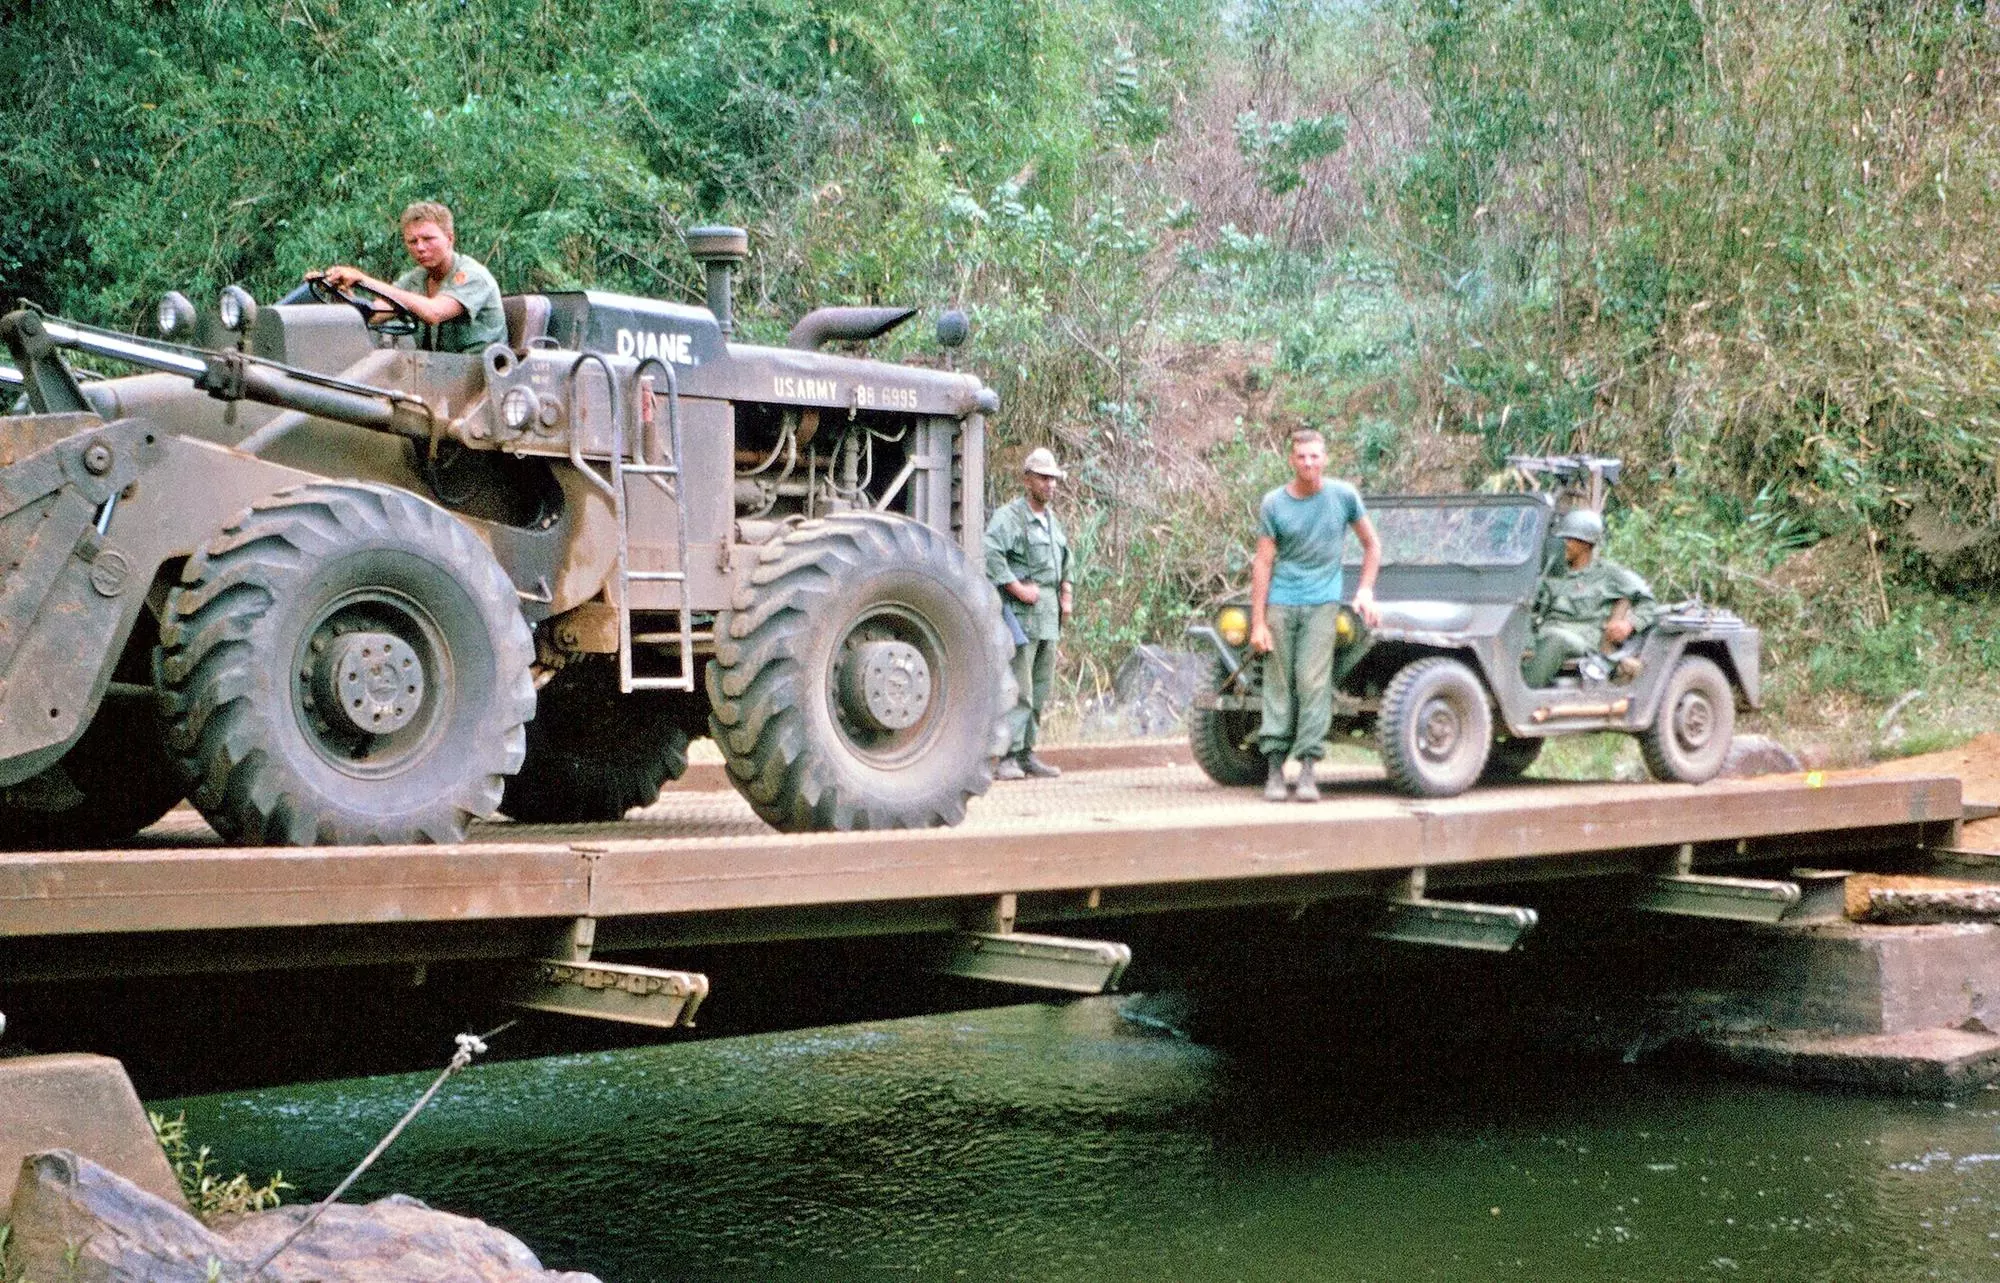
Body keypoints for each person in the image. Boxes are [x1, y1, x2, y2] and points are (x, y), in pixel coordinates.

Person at [1249, 427, 1381, 803]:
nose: (1308, 463)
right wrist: (1258, 622)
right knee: (1277, 683)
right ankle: (1275, 769)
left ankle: (1307, 769)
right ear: (1291, 460)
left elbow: (1372, 546)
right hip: (1282, 602)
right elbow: (1262, 562)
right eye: (1301, 456)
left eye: (1314, 456)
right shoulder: (1274, 503)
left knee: (1313, 683)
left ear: (1325, 458)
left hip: (1323, 602)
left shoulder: (1344, 497)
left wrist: (1365, 591)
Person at [309, 201, 505, 355]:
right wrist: (339, 294)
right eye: (412, 241)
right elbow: (376, 314)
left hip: (481, 379)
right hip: (441, 375)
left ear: (450, 239)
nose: (420, 247)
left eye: (428, 239)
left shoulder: (472, 275)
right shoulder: (416, 279)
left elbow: (434, 313)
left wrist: (362, 279)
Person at [984, 447, 1074, 780]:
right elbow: (990, 553)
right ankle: (1006, 756)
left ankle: (1026, 754)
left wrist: (1067, 593)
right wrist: (1017, 589)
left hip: (1049, 617)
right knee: (1019, 688)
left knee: (1040, 688)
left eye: (1054, 479)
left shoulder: (1051, 521)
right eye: (1043, 477)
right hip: (1022, 616)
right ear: (1027, 480)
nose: (1050, 484)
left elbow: (1067, 560)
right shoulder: (1010, 517)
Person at [1521, 507, 1658, 687]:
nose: (1564, 544)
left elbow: (1648, 602)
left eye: (1570, 539)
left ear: (1586, 544)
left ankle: (1520, 694)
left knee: (1556, 639)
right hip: (1545, 632)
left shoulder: (1609, 574)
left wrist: (1629, 624)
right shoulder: (1553, 573)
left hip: (1583, 638)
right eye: (1562, 539)